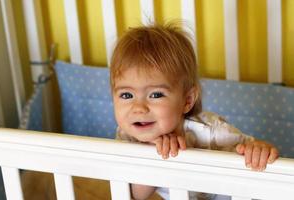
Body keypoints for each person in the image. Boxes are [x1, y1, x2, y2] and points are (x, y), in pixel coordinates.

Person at [109, 23, 279, 200]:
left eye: (156, 94)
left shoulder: (210, 131)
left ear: (187, 100)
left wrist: (259, 149)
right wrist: (154, 157)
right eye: (126, 94)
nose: (139, 108)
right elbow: (131, 196)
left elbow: (253, 149)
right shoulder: (127, 137)